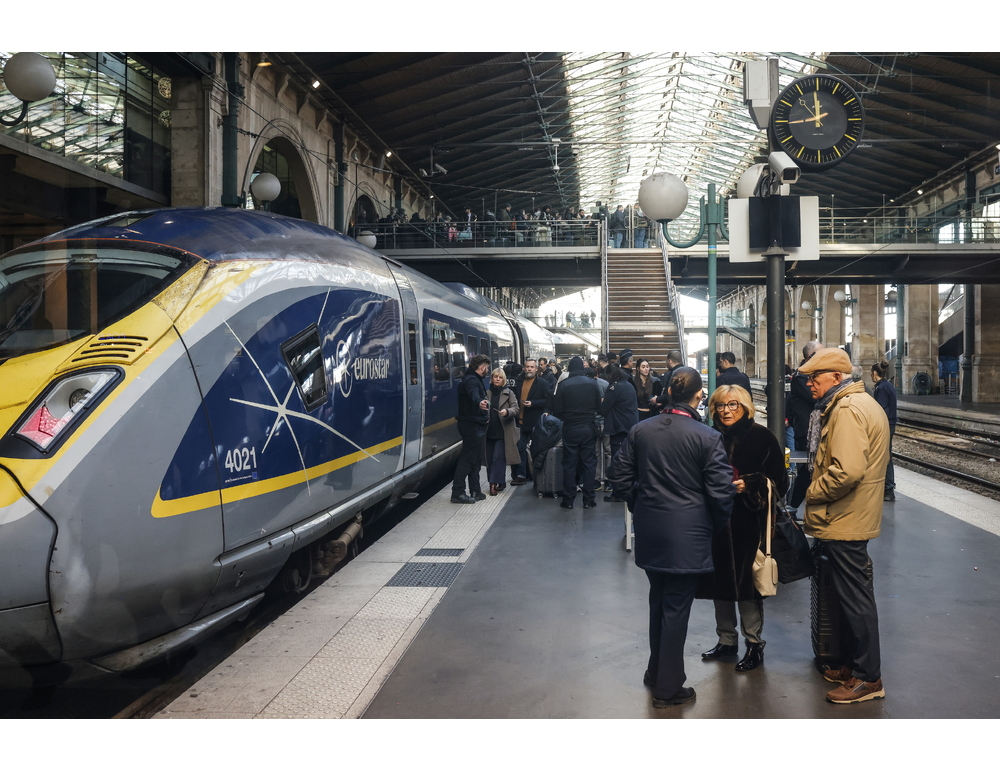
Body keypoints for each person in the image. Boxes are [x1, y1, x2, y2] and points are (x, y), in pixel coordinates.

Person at [607, 367, 735, 708]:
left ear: (667, 393)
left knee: (659, 601)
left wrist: (639, 503)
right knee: (676, 608)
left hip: (651, 531)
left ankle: (656, 671)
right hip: (688, 535)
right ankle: (668, 688)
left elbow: (618, 475)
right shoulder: (708, 437)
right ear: (699, 396)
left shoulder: (641, 430)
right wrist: (714, 523)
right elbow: (721, 492)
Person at [799, 347, 890, 704]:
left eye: (815, 377)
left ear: (837, 377)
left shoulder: (847, 410)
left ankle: (868, 678)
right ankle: (854, 667)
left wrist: (812, 492)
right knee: (851, 596)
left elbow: (846, 471)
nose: (809, 383)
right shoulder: (857, 403)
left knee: (855, 599)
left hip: (845, 516)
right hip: (849, 515)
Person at [696, 384, 788, 672]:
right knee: (719, 584)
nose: (726, 411)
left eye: (733, 405)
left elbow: (780, 482)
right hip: (715, 522)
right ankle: (726, 640)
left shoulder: (763, 437)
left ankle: (754, 644)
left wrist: (751, 484)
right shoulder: (708, 436)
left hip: (750, 522)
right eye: (720, 405)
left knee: (749, 586)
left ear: (746, 407)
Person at [550, 356, 602, 509]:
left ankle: (568, 500)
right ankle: (589, 500)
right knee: (589, 463)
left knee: (569, 464)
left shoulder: (563, 385)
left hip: (570, 428)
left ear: (570, 369)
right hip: (588, 427)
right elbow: (598, 406)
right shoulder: (592, 383)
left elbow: (557, 410)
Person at [787, 341, 824, 511]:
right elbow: (816, 397)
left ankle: (792, 506)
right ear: (810, 356)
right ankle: (791, 506)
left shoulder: (809, 376)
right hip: (807, 432)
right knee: (809, 471)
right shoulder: (801, 378)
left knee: (811, 471)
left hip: (814, 430)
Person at [451, 354, 491, 504]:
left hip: (474, 424)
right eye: (487, 368)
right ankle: (458, 492)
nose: (488, 370)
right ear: (482, 367)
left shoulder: (472, 379)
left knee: (476, 458)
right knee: (468, 459)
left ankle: (475, 490)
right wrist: (480, 402)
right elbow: (474, 395)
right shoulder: (472, 381)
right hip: (471, 425)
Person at [599, 363, 639, 502]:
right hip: (629, 426)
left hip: (618, 427)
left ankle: (618, 493)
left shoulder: (614, 388)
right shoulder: (628, 385)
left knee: (618, 460)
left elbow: (603, 409)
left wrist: (600, 402)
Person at [510, 358, 552, 485]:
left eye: (531, 367)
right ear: (524, 368)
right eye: (527, 366)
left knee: (536, 450)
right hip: (520, 421)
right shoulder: (518, 381)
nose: (529, 369)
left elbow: (548, 400)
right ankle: (521, 475)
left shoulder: (543, 383)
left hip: (535, 422)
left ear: (536, 369)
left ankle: (537, 474)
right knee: (520, 448)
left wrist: (533, 403)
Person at [484, 368, 520, 496]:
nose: (498, 379)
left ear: (503, 379)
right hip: (489, 431)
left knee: (497, 458)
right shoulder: (486, 393)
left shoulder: (509, 393)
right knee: (489, 459)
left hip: (503, 432)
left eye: (500, 377)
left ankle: (492, 484)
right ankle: (500, 481)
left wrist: (507, 412)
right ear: (492, 379)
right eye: (495, 377)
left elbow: (516, 409)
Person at [871, 360, 898, 502]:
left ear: (875, 373)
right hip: (890, 424)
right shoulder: (887, 385)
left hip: (885, 425)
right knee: (886, 455)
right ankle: (887, 487)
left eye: (871, 373)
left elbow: (880, 409)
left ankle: (888, 489)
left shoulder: (881, 388)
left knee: (885, 456)